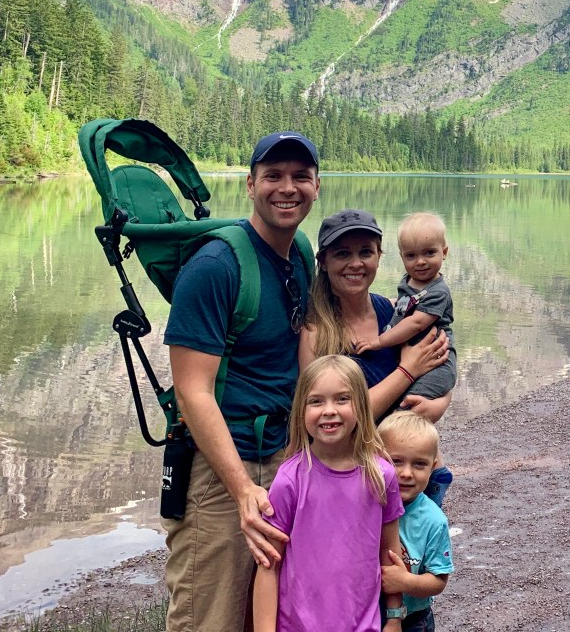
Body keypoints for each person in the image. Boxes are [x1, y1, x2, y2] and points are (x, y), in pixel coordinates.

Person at [162, 131, 321, 632]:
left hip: (282, 458)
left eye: (300, 176)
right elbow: (192, 390)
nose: (287, 188)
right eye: (273, 176)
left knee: (269, 616)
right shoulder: (215, 266)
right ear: (250, 185)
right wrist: (241, 491)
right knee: (209, 617)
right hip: (219, 473)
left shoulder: (299, 253)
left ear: (317, 186)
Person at [300, 209, 454, 505]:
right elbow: (331, 418)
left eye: (366, 252)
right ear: (324, 262)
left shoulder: (394, 311)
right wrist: (407, 372)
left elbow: (439, 363)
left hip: (413, 479)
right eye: (343, 253)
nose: (356, 263)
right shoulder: (316, 332)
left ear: (380, 256)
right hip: (357, 482)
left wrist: (438, 403)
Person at [253, 355, 406, 632]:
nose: (329, 410)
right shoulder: (290, 480)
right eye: (316, 401)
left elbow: (390, 553)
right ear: (301, 410)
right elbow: (268, 565)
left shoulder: (382, 476)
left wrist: (394, 617)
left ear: (361, 406)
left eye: (342, 399)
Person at [354, 212, 457, 402]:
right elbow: (406, 303)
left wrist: (378, 342)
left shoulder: (438, 292)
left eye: (429, 253)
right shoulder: (410, 281)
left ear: (444, 252)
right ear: (402, 257)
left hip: (437, 362)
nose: (420, 261)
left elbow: (416, 323)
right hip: (417, 358)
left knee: (406, 405)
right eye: (411, 255)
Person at [378, 412, 454, 632]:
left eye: (419, 464)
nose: (406, 473)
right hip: (365, 613)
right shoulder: (367, 504)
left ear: (432, 468)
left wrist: (405, 582)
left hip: (414, 620)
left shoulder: (433, 520)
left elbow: (439, 580)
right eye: (396, 461)